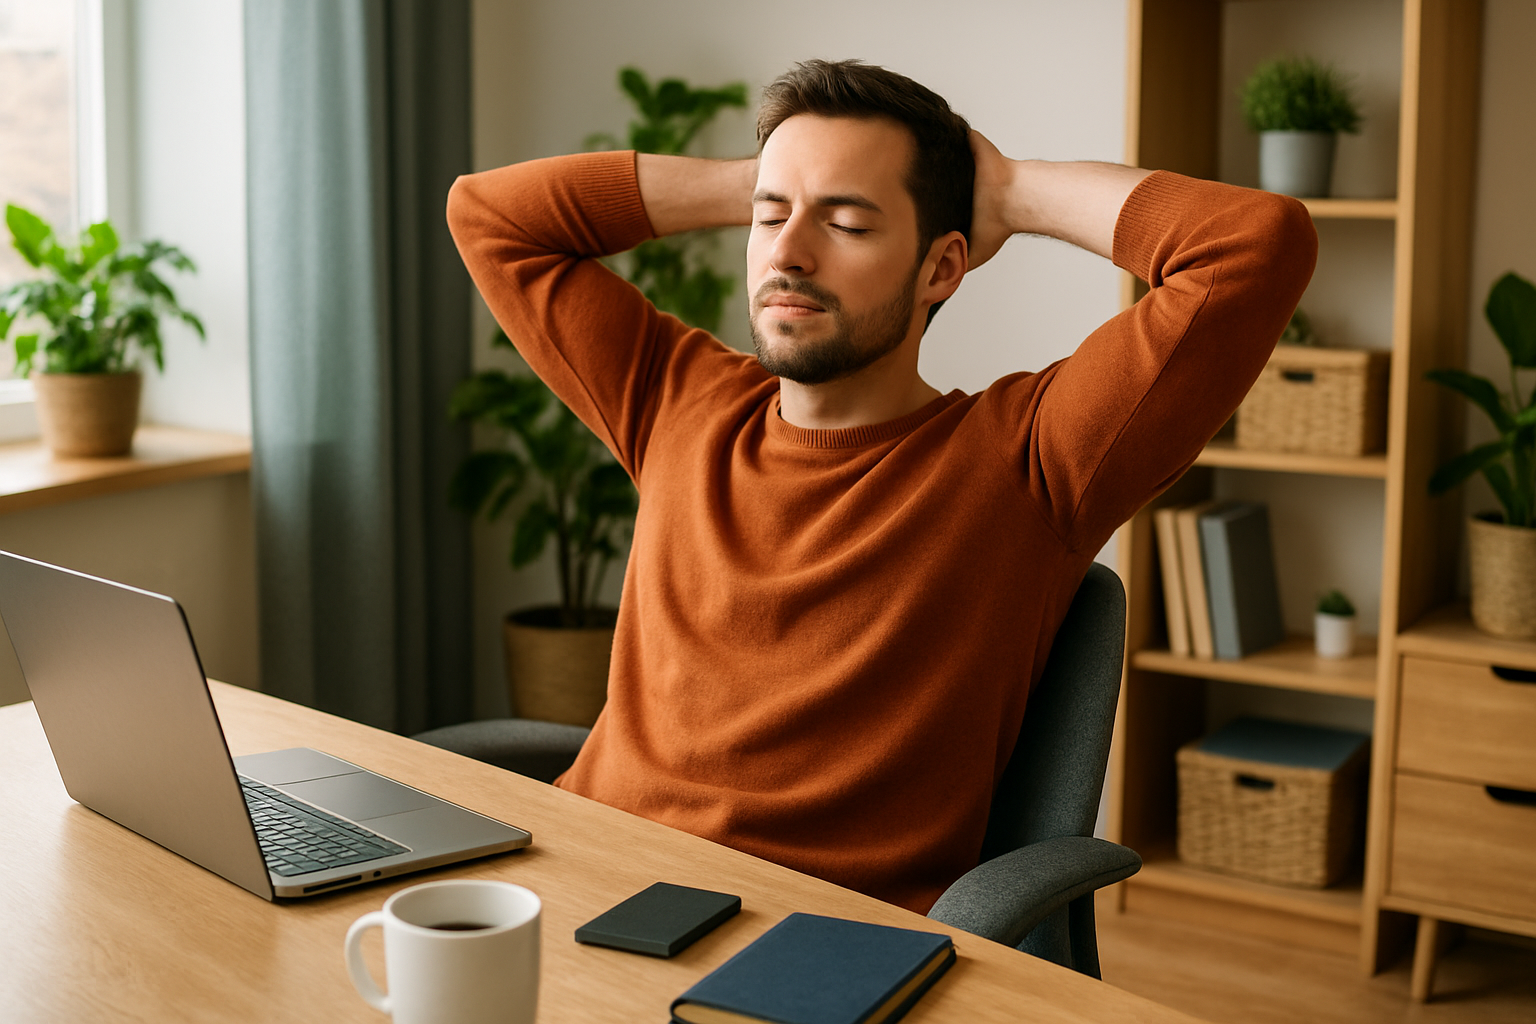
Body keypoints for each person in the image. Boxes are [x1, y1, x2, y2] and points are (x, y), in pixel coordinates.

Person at [447, 59, 1316, 914]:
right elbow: (488, 217)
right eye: (770, 220)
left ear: (942, 269)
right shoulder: (677, 403)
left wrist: (1007, 190)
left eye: (849, 224)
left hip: (812, 941)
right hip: (580, 879)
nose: (787, 253)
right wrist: (769, 179)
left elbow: (1253, 244)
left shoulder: (1032, 457)